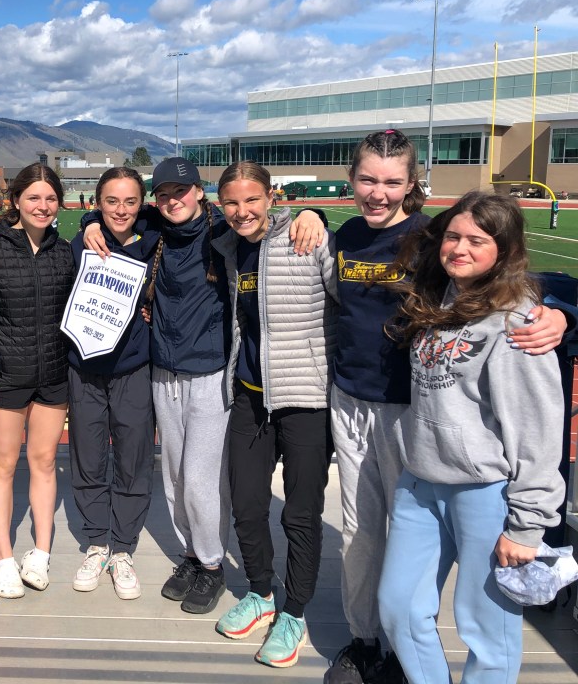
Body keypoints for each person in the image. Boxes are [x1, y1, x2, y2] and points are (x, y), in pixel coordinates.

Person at [291, 129, 569, 684]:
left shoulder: (434, 240)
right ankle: (368, 641)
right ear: (351, 180)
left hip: (419, 419)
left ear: (412, 183)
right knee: (363, 536)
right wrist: (311, 211)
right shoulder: (347, 236)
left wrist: (563, 314)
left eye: (392, 182)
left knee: (464, 592)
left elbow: (521, 282)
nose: (378, 192)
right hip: (359, 405)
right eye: (367, 179)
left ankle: (400, 653)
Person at [82, 157, 325, 615]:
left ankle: (212, 564)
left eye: (182, 191)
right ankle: (192, 555)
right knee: (174, 477)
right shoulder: (154, 229)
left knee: (201, 479)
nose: (173, 200)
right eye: (164, 194)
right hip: (163, 372)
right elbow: (114, 214)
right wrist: (92, 220)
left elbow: (268, 226)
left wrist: (314, 214)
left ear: (199, 192)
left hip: (211, 372)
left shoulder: (223, 232)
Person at [377, 191, 565, 684]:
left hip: (485, 491)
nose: (459, 248)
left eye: (477, 241)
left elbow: (538, 429)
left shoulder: (517, 323)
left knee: (486, 629)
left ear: (504, 250)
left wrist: (527, 526)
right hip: (420, 481)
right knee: (398, 607)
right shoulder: (437, 297)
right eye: (453, 236)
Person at [212, 161, 337, 668]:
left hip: (306, 398)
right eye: (231, 202)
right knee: (245, 503)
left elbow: (349, 300)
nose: (242, 211)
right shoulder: (228, 247)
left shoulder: (308, 238)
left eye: (251, 200)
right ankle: (261, 593)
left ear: (271, 197)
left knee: (300, 514)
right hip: (249, 394)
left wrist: (316, 213)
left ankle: (295, 612)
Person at [0, 163, 74, 598]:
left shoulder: (66, 251)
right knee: (3, 464)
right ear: (16, 199)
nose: (42, 206)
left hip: (54, 375)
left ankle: (41, 551)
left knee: (44, 462)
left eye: (50, 198)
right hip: (7, 377)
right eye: (34, 197)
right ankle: (3, 556)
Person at [67, 167, 157, 599]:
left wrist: (310, 213)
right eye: (111, 201)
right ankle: (96, 542)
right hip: (85, 368)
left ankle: (122, 548)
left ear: (142, 204)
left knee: (133, 459)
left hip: (133, 368)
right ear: (97, 203)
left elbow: (196, 216)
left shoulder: (154, 239)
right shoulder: (80, 243)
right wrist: (88, 225)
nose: (121, 210)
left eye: (130, 201)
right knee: (88, 458)